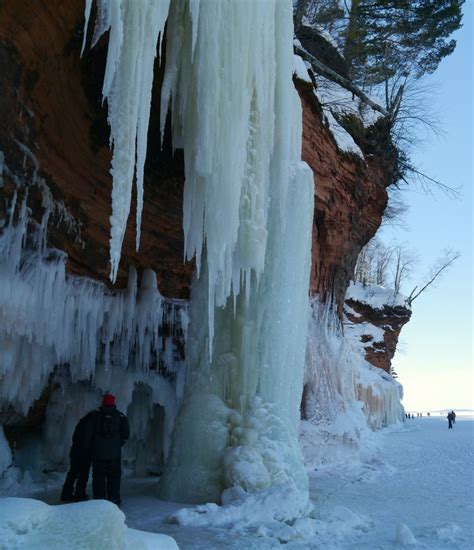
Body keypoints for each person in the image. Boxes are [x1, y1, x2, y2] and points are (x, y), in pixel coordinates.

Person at [84, 393, 130, 505]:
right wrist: (118, 445)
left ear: (103, 403)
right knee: (114, 476)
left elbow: (87, 434)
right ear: (113, 404)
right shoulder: (120, 416)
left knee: (98, 476)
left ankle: (99, 500)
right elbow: (126, 434)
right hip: (114, 453)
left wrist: (91, 447)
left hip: (98, 453)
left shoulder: (95, 417)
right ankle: (114, 498)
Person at [61, 411, 96, 502]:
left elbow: (74, 437)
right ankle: (80, 494)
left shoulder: (82, 422)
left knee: (73, 473)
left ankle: (66, 494)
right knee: (83, 475)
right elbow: (87, 440)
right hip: (84, 453)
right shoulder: (90, 424)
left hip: (75, 452)